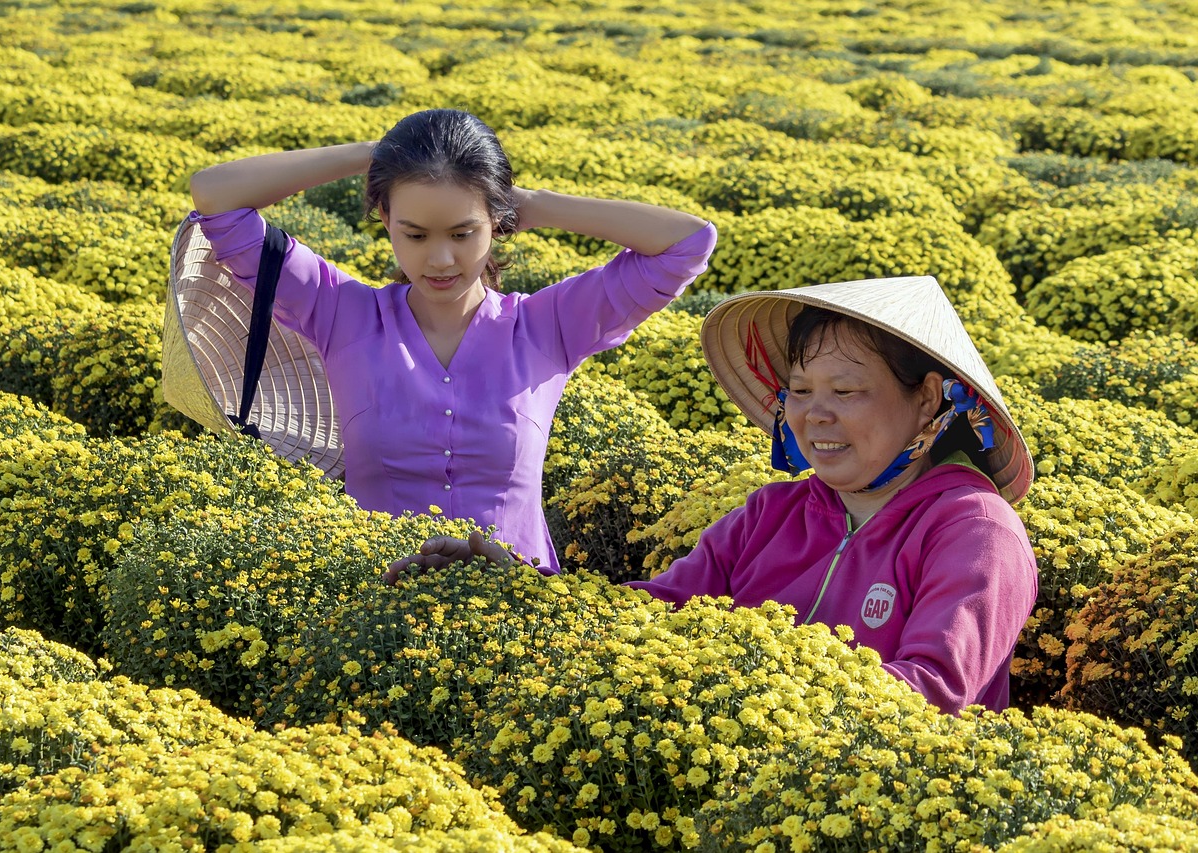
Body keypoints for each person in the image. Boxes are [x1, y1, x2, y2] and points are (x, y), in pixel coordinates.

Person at [387, 275, 1038, 715]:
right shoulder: (769, 514)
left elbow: (931, 694)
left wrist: (745, 696)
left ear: (927, 399)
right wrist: (525, 590)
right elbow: (653, 615)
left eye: (845, 392)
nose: (814, 414)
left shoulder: (974, 532)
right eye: (801, 390)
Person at [188, 109, 716, 572]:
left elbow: (687, 243)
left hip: (521, 619)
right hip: (373, 621)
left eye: (463, 233)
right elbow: (216, 197)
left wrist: (533, 203)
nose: (440, 260)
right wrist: (380, 154)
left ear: (497, 223)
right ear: (385, 221)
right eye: (414, 235)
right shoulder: (340, 314)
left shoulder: (549, 325)